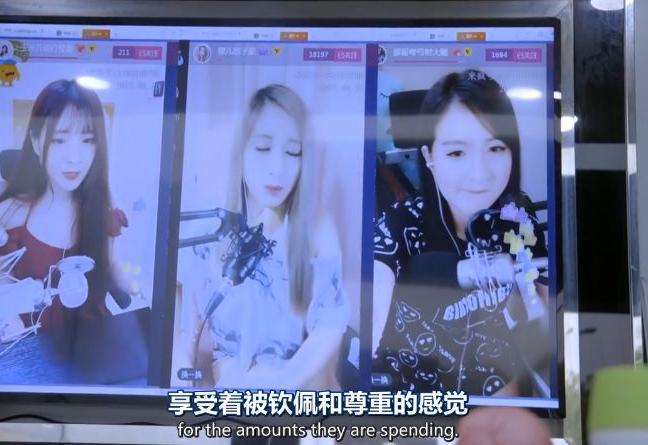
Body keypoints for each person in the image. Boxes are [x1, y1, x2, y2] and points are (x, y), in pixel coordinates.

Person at [372, 69, 549, 395]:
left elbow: (541, 316)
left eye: (496, 148)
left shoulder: (517, 220)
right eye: (456, 153)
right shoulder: (399, 225)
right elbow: (372, 302)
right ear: (429, 155)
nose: (479, 174)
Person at [184, 84, 349, 390]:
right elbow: (189, 330)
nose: (277, 168)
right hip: (232, 385)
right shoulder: (212, 227)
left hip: (299, 387)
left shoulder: (317, 227)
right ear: (242, 151)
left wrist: (280, 384)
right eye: (262, 148)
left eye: (293, 153)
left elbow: (330, 325)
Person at [0, 79, 128, 330]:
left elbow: (117, 273)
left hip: (93, 340)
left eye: (88, 140)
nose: (74, 158)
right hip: (31, 342)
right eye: (59, 140)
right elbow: (2, 287)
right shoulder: (10, 213)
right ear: (35, 141)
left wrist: (154, 293)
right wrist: (14, 333)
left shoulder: (102, 210)